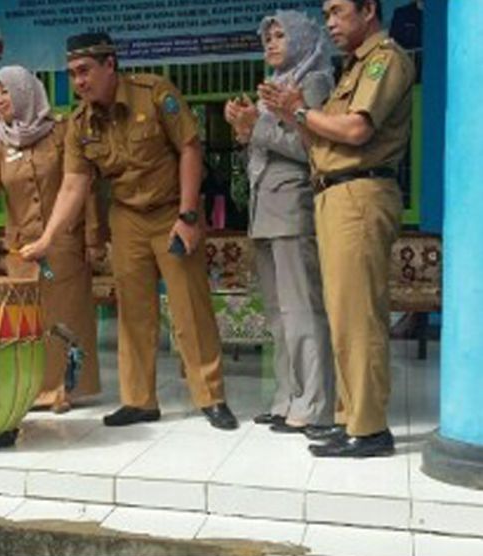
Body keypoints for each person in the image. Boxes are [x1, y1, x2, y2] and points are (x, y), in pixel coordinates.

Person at [21, 33, 238, 431]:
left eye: (85, 71)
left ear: (110, 65)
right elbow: (73, 186)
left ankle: (211, 396)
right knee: (134, 312)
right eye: (72, 74)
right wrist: (48, 238)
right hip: (127, 219)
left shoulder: (153, 93)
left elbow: (190, 148)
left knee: (190, 309)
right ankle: (139, 400)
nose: (79, 81)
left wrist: (189, 215)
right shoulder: (79, 123)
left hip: (172, 210)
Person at [260, 0, 414, 457]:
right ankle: (351, 417)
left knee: (358, 316)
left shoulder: (384, 59)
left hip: (359, 194)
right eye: (326, 13)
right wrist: (291, 114)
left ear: (368, 10)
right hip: (333, 193)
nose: (329, 22)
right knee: (343, 314)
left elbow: (355, 129)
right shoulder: (351, 69)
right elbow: (320, 138)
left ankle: (369, 429)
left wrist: (302, 112)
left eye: (337, 11)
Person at [0, 66, 101, 413]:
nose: (0, 100)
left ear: (25, 91)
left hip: (64, 245)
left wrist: (94, 236)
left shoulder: (62, 131)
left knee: (66, 317)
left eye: (6, 91)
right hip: (22, 250)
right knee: (29, 321)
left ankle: (66, 388)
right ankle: (32, 388)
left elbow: (86, 186)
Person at [225, 11, 336, 437]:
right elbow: (265, 152)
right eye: (266, 37)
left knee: (302, 309)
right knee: (277, 313)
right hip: (264, 211)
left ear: (304, 38)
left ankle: (315, 404)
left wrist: (256, 128)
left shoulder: (314, 83)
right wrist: (244, 129)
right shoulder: (275, 88)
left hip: (293, 209)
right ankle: (287, 397)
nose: (270, 43)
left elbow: (312, 150)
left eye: (279, 35)